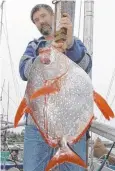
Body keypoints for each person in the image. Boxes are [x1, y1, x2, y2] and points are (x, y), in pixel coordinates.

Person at [19, 4, 92, 171]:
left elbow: (86, 65)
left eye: (43, 16)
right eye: (36, 20)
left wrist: (70, 43)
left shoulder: (75, 43)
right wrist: (42, 58)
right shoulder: (34, 46)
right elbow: (23, 70)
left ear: (53, 15)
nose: (40, 21)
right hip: (37, 125)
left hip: (72, 125)